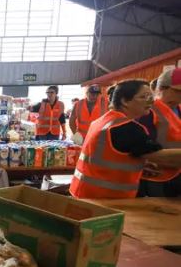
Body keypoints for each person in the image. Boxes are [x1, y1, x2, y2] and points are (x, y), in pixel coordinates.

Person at [70, 79, 181, 199]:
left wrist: (139, 165)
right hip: (105, 200)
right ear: (125, 101)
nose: (151, 101)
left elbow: (111, 157)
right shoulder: (127, 128)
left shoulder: (103, 121)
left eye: (151, 96)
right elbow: (162, 157)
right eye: (144, 96)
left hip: (85, 193)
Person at [138, 68, 181, 196]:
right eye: (178, 91)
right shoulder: (148, 111)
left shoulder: (178, 110)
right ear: (162, 88)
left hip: (176, 174)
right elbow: (142, 148)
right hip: (155, 177)